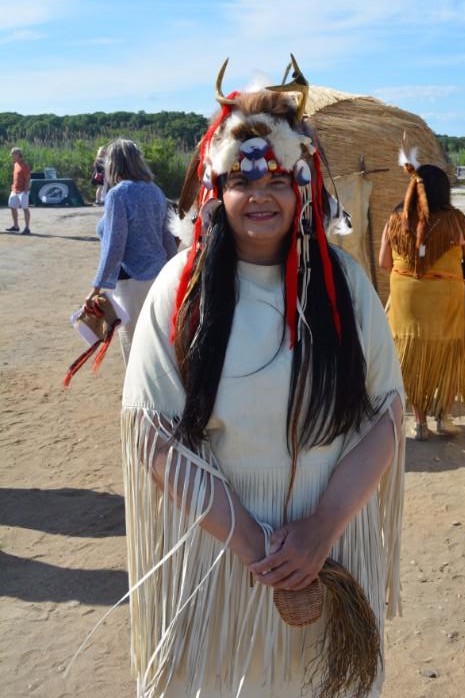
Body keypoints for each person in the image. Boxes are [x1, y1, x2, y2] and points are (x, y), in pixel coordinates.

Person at [120, 59, 405, 698]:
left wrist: (319, 530)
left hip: (328, 533)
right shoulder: (180, 291)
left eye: (279, 179)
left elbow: (384, 417)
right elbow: (154, 433)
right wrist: (259, 548)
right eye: (243, 181)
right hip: (222, 545)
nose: (261, 196)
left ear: (305, 187)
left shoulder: (345, 288)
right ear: (217, 190)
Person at [379, 150, 465, 440]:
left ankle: (419, 422)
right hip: (446, 298)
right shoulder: (457, 221)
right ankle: (443, 418)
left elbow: (385, 263)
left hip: (406, 297)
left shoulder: (395, 219)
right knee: (447, 352)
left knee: (410, 357)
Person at [84, 139, 177, 364]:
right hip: (159, 276)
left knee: (134, 346)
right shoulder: (155, 191)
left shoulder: (118, 194)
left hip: (130, 280)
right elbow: (167, 237)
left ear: (113, 164)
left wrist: (97, 287)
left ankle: (137, 397)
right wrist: (175, 271)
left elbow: (115, 246)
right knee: (158, 343)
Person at [6, 147, 31, 234]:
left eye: (13, 155)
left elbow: (28, 178)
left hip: (23, 191)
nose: (12, 156)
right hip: (14, 190)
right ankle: (16, 226)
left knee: (25, 208)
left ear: (18, 155)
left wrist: (26, 190)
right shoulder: (15, 164)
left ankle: (27, 228)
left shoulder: (25, 165)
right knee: (12, 207)